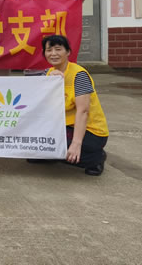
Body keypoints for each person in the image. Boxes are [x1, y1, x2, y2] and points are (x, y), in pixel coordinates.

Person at [43, 34, 109, 176]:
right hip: (65, 126)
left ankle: (96, 158)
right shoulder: (49, 74)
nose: (53, 54)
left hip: (90, 131)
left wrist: (76, 143)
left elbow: (83, 111)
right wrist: (50, 83)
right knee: (38, 146)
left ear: (68, 52)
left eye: (58, 49)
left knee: (59, 148)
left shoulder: (79, 75)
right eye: (49, 50)